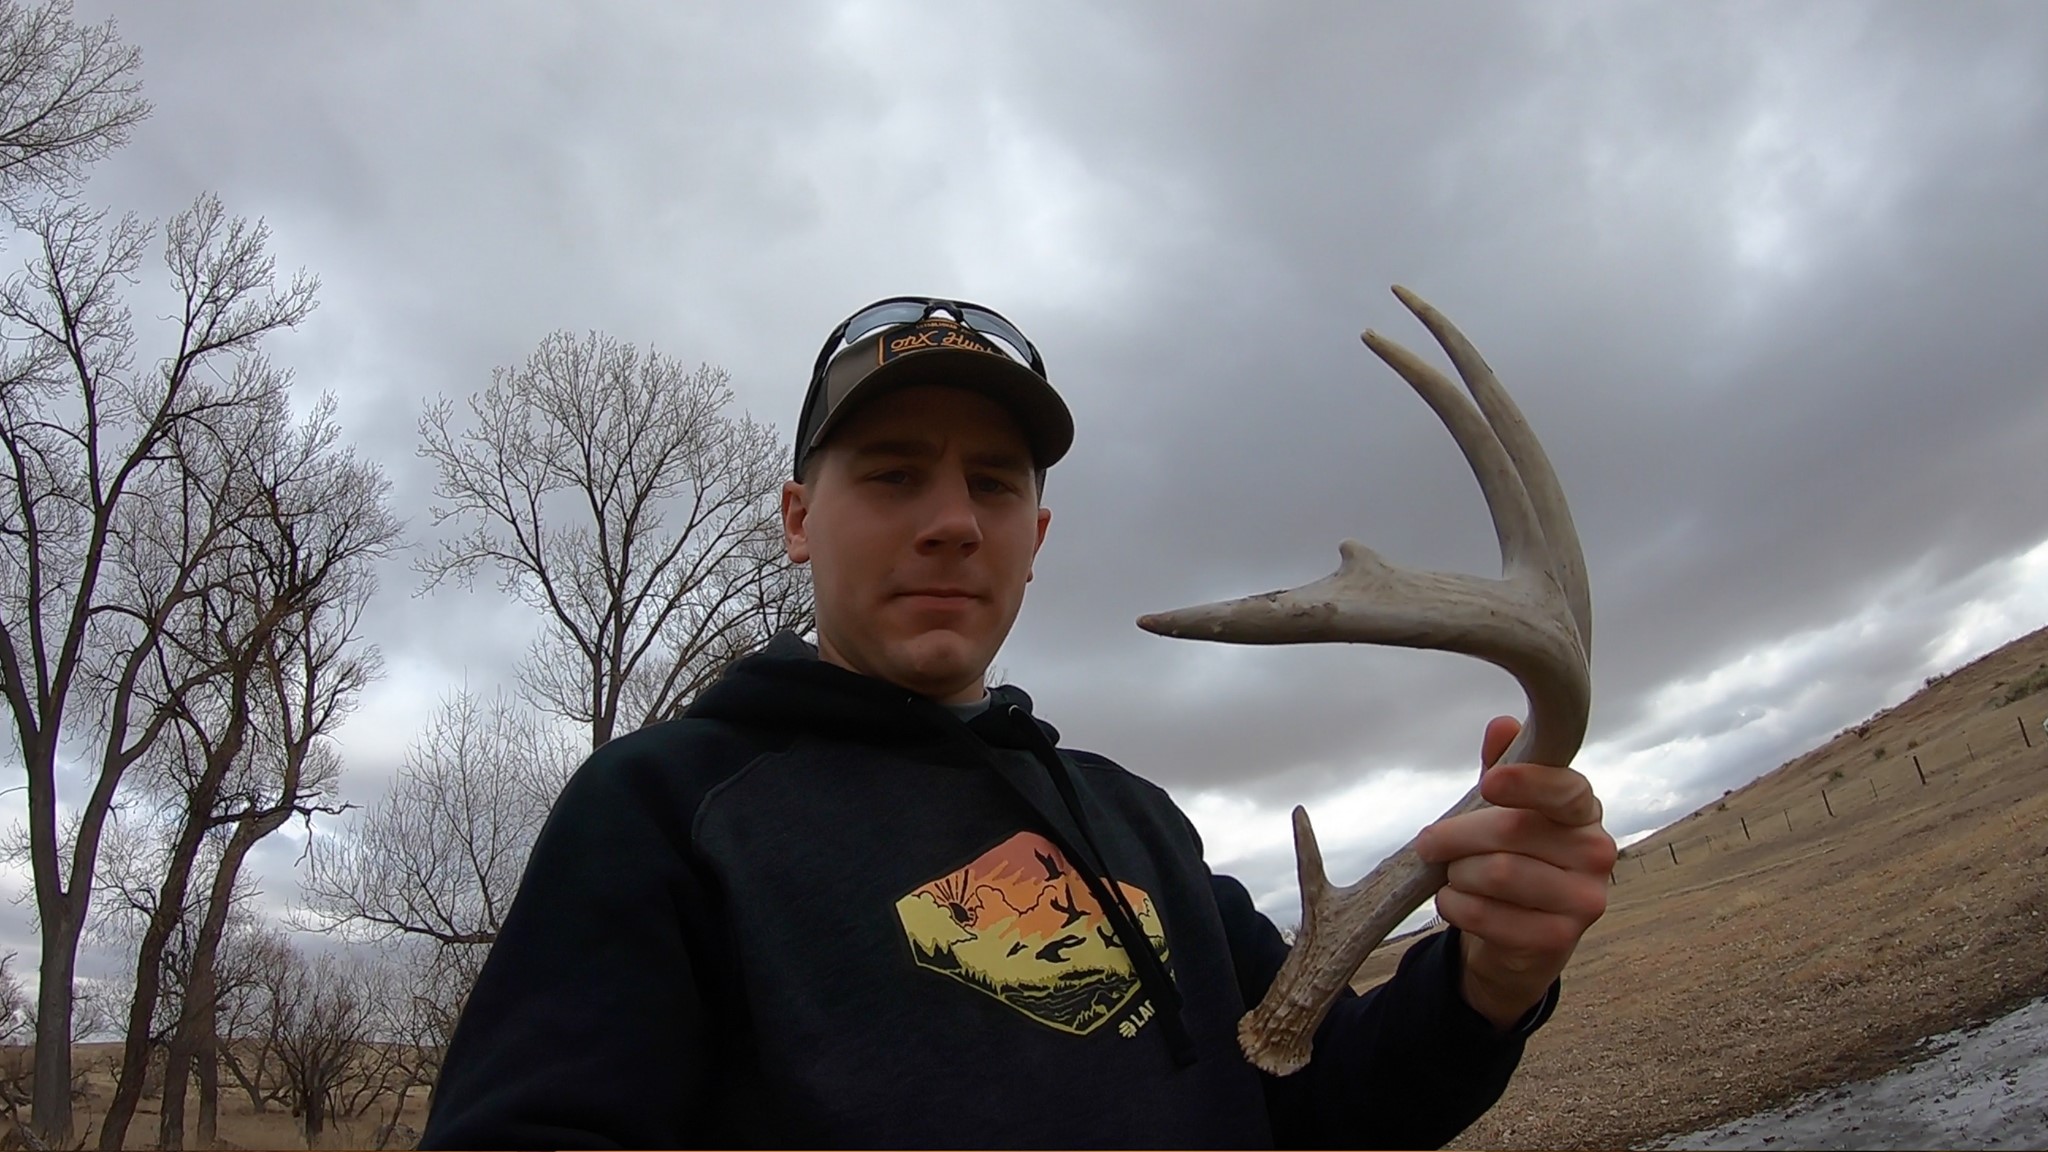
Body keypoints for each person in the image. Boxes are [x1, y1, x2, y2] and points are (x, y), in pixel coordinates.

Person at [421, 296, 1616, 1149]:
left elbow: (1317, 1101)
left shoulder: (1130, 821)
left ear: (1035, 540)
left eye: (994, 484)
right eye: (892, 474)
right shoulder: (665, 810)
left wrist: (1487, 980)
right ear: (796, 519)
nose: (952, 521)